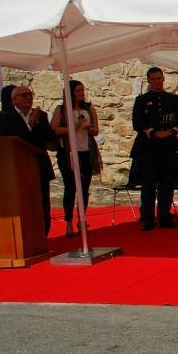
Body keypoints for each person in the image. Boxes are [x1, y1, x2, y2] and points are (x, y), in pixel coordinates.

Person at [131, 67, 178, 231]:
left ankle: (164, 216)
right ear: (148, 80)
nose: (156, 81)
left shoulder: (173, 99)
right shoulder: (141, 100)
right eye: (153, 79)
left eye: (159, 78)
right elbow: (137, 123)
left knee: (167, 183)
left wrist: (170, 132)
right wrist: (154, 132)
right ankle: (148, 218)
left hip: (168, 146)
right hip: (148, 147)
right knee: (148, 184)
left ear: (163, 79)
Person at [0, 84, 56, 235]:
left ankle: (43, 236)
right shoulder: (5, 117)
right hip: (17, 168)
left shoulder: (40, 115)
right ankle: (25, 236)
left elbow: (49, 137)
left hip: (39, 165)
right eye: (24, 95)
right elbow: (8, 139)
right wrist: (30, 125)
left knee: (42, 204)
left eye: (30, 94)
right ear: (14, 99)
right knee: (23, 205)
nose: (29, 98)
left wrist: (37, 124)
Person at [51, 80, 100, 237]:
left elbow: (96, 130)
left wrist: (90, 129)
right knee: (70, 187)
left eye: (82, 90)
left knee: (84, 189)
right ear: (71, 92)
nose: (81, 93)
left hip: (86, 151)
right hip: (69, 153)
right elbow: (54, 129)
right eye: (78, 90)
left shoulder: (88, 108)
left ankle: (82, 219)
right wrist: (75, 127)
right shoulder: (62, 109)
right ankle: (68, 221)